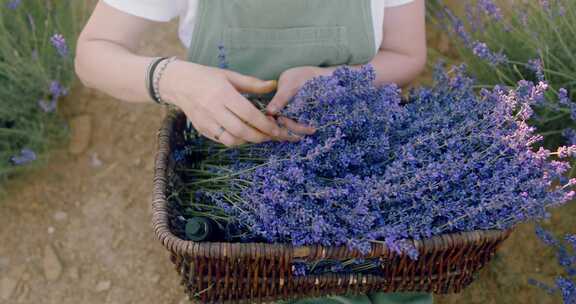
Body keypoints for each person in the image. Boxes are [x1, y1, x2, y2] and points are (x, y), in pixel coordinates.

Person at [75, 1, 429, 303]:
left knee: (397, 279)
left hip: (365, 161)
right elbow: (93, 53)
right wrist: (174, 79)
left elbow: (407, 54)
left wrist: (332, 79)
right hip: (231, 166)